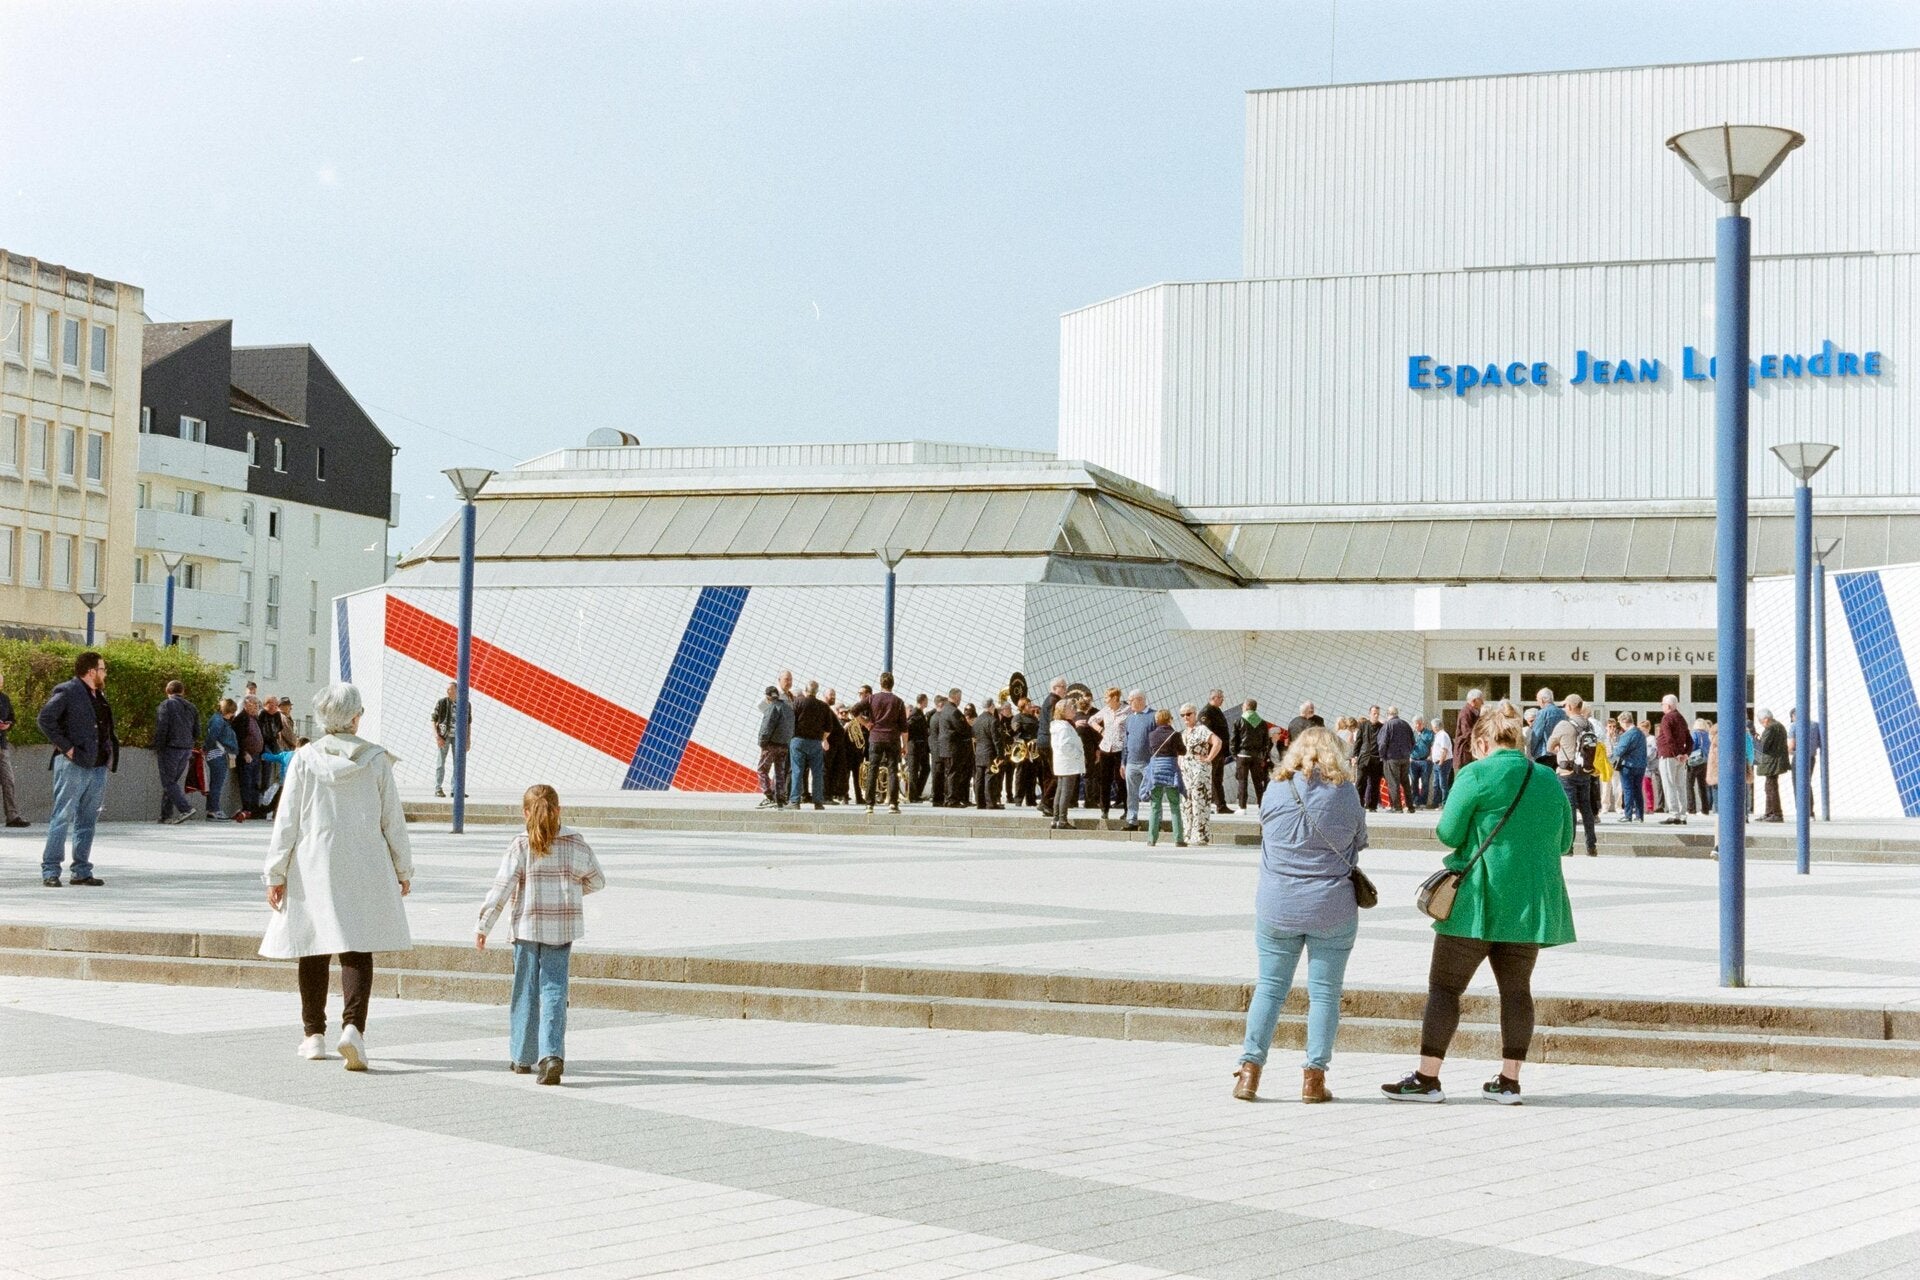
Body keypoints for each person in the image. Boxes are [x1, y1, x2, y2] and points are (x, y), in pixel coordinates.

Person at [1382, 704, 1574, 1105]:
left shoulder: (1475, 774)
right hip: (1528, 907)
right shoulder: (1547, 779)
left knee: (1445, 988)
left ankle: (1427, 1079)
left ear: (1483, 742)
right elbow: (1564, 842)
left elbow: (1449, 833)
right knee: (1517, 992)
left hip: (1475, 903)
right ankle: (1509, 1082)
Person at [261, 683, 414, 1071]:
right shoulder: (376, 760)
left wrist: (275, 872)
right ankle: (353, 1029)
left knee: (313, 945)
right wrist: (403, 868)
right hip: (364, 859)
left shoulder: (304, 758)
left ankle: (313, 1035)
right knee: (357, 946)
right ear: (355, 717)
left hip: (313, 861)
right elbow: (392, 820)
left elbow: (287, 820)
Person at [1233, 726, 1366, 1104]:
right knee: (1325, 995)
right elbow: (1360, 840)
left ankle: (1249, 1072)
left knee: (1269, 987)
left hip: (1278, 905)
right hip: (1331, 906)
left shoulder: (1275, 789)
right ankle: (1314, 1079)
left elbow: (1266, 833)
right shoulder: (1346, 792)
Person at [476, 784, 607, 1085]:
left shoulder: (520, 845)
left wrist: (483, 925)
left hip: (526, 927)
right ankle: (551, 1055)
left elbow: (501, 889)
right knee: (554, 989)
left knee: (524, 989)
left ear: (525, 813)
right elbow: (598, 880)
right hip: (561, 929)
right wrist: (572, 893)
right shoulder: (576, 844)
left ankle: (522, 1057)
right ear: (559, 810)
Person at [36, 651, 118, 887]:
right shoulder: (68, 691)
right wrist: (67, 748)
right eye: (103, 669)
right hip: (73, 764)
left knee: (88, 819)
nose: (105, 673)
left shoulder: (98, 695)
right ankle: (50, 870)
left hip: (97, 765)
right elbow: (45, 719)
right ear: (91, 671)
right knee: (62, 817)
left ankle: (81, 870)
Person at [1548, 695, 1599, 857]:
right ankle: (1591, 846)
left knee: (1569, 809)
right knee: (1586, 809)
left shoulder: (1564, 725)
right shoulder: (1589, 725)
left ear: (1569, 707)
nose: (1564, 708)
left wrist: (1559, 749)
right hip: (1584, 771)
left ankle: (1569, 847)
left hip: (1567, 772)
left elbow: (1549, 746)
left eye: (1565, 706)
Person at [854, 673, 908, 814]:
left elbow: (854, 710)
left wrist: (866, 723)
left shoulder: (872, 698)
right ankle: (893, 804)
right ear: (893, 684)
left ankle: (869, 804)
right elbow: (904, 728)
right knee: (892, 770)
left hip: (876, 737)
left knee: (873, 769)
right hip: (892, 738)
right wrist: (905, 745)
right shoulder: (898, 702)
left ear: (880, 683)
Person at [153, 679, 200, 825]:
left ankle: (186, 809)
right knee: (172, 782)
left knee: (168, 782)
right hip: (186, 748)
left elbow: (162, 727)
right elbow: (197, 731)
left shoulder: (166, 705)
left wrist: (158, 746)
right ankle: (165, 815)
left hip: (170, 748)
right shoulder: (192, 707)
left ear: (167, 691)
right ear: (182, 691)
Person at [1178, 703, 1223, 846]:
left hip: (1199, 770)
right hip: (1186, 771)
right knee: (1186, 803)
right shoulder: (1183, 733)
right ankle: (1187, 834)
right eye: (1183, 715)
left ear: (1195, 714)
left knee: (1200, 802)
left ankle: (1201, 835)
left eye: (1188, 714)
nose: (1186, 717)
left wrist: (1209, 758)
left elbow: (1217, 742)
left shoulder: (1201, 729)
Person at [788, 681, 830, 810]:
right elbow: (828, 728)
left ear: (806, 691)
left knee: (797, 770)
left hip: (798, 740)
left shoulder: (797, 702)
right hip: (815, 742)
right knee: (817, 772)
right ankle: (818, 802)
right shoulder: (823, 706)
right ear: (817, 691)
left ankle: (795, 801)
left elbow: (790, 722)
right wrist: (822, 739)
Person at [1086, 688, 1126, 819]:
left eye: (1107, 698)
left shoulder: (1127, 710)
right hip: (1105, 748)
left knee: (1121, 779)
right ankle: (1104, 809)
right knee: (1104, 780)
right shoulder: (1106, 710)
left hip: (1120, 748)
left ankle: (1126, 808)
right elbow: (1091, 720)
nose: (1105, 700)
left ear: (1115, 698)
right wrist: (1100, 729)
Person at [1655, 694, 1693, 825]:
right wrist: (1686, 754)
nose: (1662, 706)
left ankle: (1674, 814)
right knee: (1680, 786)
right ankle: (1682, 815)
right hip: (1680, 758)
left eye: (1663, 704)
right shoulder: (1681, 718)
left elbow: (1668, 737)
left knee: (1669, 784)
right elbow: (1690, 739)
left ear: (1668, 705)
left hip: (1668, 755)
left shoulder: (1667, 718)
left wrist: (1676, 753)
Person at [1121, 690, 1155, 831]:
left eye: (1131, 700)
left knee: (1153, 792)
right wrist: (1123, 762)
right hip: (1131, 762)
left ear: (1140, 699)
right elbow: (1126, 742)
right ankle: (1132, 820)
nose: (1129, 703)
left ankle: (1155, 821)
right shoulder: (1129, 718)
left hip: (1149, 763)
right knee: (1132, 793)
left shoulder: (1154, 716)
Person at [1047, 703, 1085, 830]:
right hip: (1068, 763)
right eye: (1071, 707)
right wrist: (1078, 754)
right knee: (1066, 792)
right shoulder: (1064, 727)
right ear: (1063, 711)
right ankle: (1062, 820)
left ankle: (1056, 819)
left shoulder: (1058, 725)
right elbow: (1065, 745)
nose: (1074, 709)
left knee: (1060, 791)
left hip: (1062, 762)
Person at [756, 685, 794, 808]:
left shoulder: (772, 708)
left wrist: (762, 743)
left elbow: (766, 728)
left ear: (768, 697)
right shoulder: (788, 708)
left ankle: (769, 796)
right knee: (779, 772)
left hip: (771, 745)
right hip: (784, 745)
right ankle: (780, 798)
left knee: (762, 770)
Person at [430, 682, 469, 799]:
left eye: (450, 689)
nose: (448, 691)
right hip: (444, 736)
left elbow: (468, 723)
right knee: (440, 763)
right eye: (447, 689)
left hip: (459, 737)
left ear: (456, 690)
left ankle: (456, 790)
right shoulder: (442, 702)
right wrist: (437, 736)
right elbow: (433, 720)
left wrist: (468, 739)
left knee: (458, 764)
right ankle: (438, 788)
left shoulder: (465, 704)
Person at [1232, 699, 1272, 811]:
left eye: (1243, 706)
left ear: (1246, 707)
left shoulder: (1239, 721)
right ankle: (1262, 806)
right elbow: (1266, 742)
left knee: (1242, 781)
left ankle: (1242, 807)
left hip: (1242, 755)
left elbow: (1234, 740)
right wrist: (1262, 755)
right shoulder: (1262, 722)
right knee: (1258, 782)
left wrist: (1235, 755)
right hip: (1256, 756)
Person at [204, 697, 238, 821]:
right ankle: (214, 810)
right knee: (217, 784)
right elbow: (212, 737)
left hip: (216, 754)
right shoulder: (218, 721)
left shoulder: (218, 720)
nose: (232, 715)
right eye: (232, 712)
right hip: (218, 754)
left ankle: (212, 809)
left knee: (216, 783)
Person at [233, 694, 266, 820]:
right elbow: (238, 738)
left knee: (255, 783)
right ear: (246, 705)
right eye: (254, 704)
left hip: (256, 756)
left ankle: (254, 809)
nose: (257, 707)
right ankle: (247, 808)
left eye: (257, 704)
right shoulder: (241, 718)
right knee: (246, 783)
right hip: (247, 756)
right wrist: (244, 753)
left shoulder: (255, 718)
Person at [1200, 691, 1233, 816]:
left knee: (1218, 779)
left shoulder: (1217, 711)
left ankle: (1221, 805)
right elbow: (1206, 733)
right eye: (1221, 698)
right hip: (1212, 752)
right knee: (1212, 779)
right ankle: (1212, 805)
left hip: (1220, 752)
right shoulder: (1206, 712)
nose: (1223, 700)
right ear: (1214, 698)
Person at [0, 670, 25, 827]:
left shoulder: (4, 699)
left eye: (1, 682)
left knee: (8, 780)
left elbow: (12, 717)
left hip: (2, 746)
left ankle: (12, 817)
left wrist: (8, 724)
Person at [1378, 706, 1415, 813]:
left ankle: (1397, 807)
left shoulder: (1388, 725)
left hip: (1391, 758)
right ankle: (1410, 806)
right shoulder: (1405, 724)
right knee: (1405, 782)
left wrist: (1382, 756)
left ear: (1388, 714)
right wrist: (1408, 752)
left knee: (1393, 782)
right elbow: (1413, 741)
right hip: (1405, 757)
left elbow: (1382, 743)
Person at [1612, 712, 1648, 822]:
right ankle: (1639, 815)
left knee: (1628, 790)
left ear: (1624, 721)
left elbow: (1620, 750)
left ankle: (1628, 815)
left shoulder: (1627, 734)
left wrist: (1612, 754)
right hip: (1640, 765)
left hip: (1628, 765)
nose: (1620, 726)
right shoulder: (1640, 733)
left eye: (1620, 723)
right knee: (1638, 790)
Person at [1755, 709, 1789, 822]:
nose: (1761, 724)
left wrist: (1756, 740)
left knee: (1771, 788)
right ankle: (1770, 812)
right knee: (1770, 786)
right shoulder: (1779, 726)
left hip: (1771, 762)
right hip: (1776, 761)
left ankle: (1776, 813)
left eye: (1761, 721)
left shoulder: (1770, 728)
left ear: (1766, 719)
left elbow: (1763, 747)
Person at [971, 697, 1002, 810]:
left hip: (979, 751)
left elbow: (974, 736)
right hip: (990, 752)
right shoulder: (993, 720)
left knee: (979, 778)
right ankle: (991, 803)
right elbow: (996, 740)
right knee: (990, 777)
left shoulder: (976, 721)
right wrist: (1000, 754)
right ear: (991, 706)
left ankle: (980, 803)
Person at [1351, 707, 1383, 810]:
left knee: (1374, 783)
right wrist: (1354, 756)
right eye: (1374, 713)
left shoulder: (1382, 727)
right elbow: (1358, 741)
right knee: (1360, 782)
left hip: (1376, 759)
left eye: (1378, 714)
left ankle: (1372, 805)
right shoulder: (1363, 725)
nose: (1376, 716)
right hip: (1364, 758)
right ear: (1370, 714)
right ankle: (1358, 804)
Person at [906, 694, 931, 803]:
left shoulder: (920, 713)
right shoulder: (915, 713)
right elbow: (908, 728)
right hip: (915, 747)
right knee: (914, 771)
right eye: (926, 701)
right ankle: (913, 796)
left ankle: (917, 793)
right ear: (923, 701)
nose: (927, 702)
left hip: (921, 747)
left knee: (926, 769)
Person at [1453, 690, 1484, 771]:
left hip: (1469, 753)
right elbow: (1467, 733)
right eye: (1481, 700)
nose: (1483, 703)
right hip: (1464, 754)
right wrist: (1481, 742)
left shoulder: (1472, 712)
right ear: (1474, 701)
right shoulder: (1466, 713)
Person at [1688, 717, 1713, 814]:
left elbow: (1692, 746)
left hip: (1694, 761)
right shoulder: (1708, 735)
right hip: (1704, 762)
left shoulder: (1695, 734)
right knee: (1702, 786)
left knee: (1690, 785)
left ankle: (1691, 808)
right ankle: (1705, 809)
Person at [1428, 719, 1454, 809]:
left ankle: (1445, 803)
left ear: (1435, 727)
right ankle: (1436, 802)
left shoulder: (1443, 735)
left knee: (1443, 784)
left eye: (1432, 726)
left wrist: (1441, 762)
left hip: (1443, 762)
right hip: (1437, 763)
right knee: (1436, 784)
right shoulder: (1438, 735)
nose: (1432, 728)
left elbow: (1444, 750)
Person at [1410, 716, 1434, 808]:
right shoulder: (1411, 734)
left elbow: (1432, 745)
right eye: (1416, 724)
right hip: (1414, 761)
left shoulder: (1429, 733)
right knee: (1414, 781)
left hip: (1425, 761)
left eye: (1419, 724)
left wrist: (1430, 756)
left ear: (1423, 723)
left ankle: (1423, 802)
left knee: (1425, 782)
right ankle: (1415, 801)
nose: (1417, 725)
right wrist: (1409, 757)